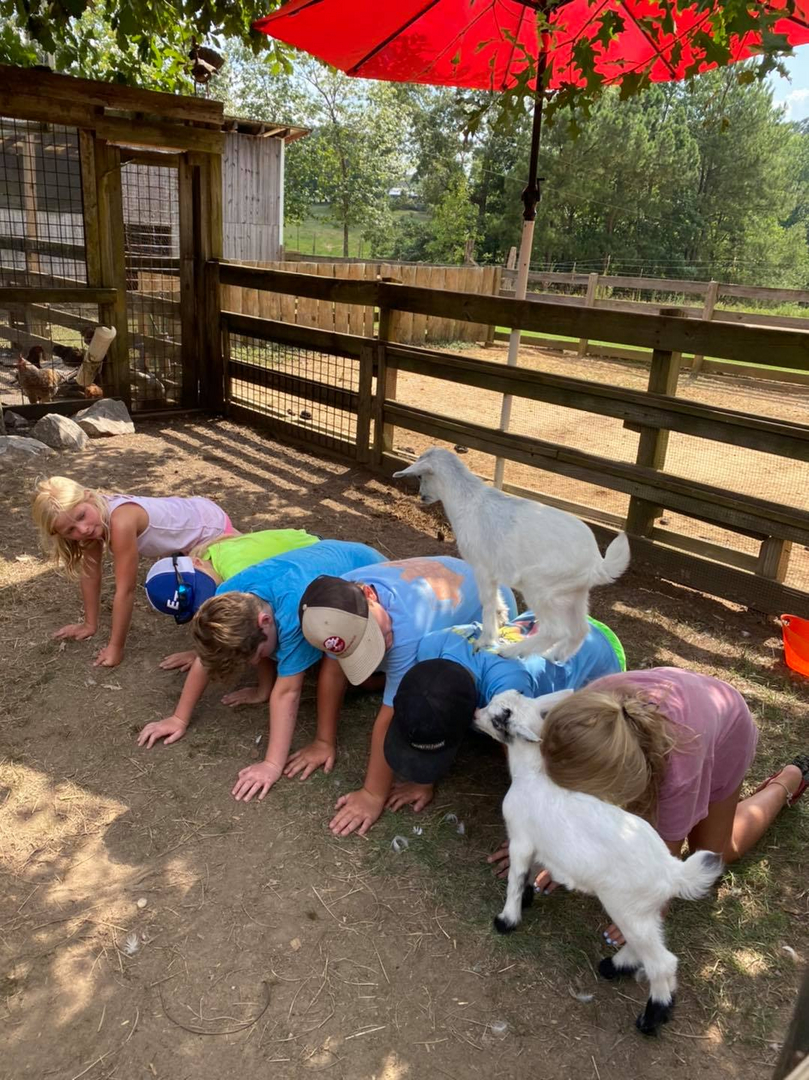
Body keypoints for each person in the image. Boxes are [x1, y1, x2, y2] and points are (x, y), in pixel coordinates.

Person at [519, 666, 808, 945]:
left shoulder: (679, 775)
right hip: (678, 700)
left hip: (726, 728)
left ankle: (789, 780)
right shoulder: (577, 718)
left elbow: (664, 865)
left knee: (712, 855)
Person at [137, 540, 386, 803]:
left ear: (265, 621)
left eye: (256, 657)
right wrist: (179, 718)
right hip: (332, 559)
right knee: (271, 647)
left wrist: (272, 764)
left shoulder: (294, 618)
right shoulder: (228, 596)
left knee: (353, 675)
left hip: (373, 579)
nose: (256, 663)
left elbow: (287, 692)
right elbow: (206, 658)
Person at [296, 556, 516, 837]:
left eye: (373, 634)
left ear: (368, 594)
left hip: (493, 611)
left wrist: (372, 794)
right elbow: (333, 668)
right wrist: (323, 741)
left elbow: (391, 715)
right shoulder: (335, 606)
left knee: (434, 696)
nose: (382, 642)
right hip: (461, 582)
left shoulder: (408, 629)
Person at [383, 612, 626, 814]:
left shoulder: (509, 689)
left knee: (571, 746)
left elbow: (527, 761)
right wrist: (424, 780)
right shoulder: (432, 645)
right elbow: (434, 710)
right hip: (546, 618)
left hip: (599, 653)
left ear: (473, 710)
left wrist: (530, 832)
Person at [32, 475, 233, 668]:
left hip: (211, 530)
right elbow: (90, 574)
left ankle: (206, 654)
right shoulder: (96, 519)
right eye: (70, 530)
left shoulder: (121, 522)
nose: (83, 529)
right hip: (195, 515)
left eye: (81, 516)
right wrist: (89, 624)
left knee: (210, 596)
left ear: (89, 496)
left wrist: (115, 648)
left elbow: (126, 590)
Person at [144, 527, 320, 671]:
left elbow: (257, 623)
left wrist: (205, 655)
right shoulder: (211, 558)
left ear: (196, 562)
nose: (211, 597)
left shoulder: (236, 572)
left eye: (204, 591)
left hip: (316, 561)